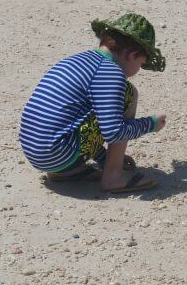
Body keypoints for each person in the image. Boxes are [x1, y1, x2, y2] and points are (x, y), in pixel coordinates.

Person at [18, 13, 168, 193]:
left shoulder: (78, 60)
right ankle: (114, 176)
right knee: (130, 93)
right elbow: (114, 132)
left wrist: (104, 157)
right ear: (131, 54)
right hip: (58, 153)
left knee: (101, 106)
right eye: (141, 64)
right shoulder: (111, 73)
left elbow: (74, 119)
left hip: (38, 153)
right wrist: (150, 124)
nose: (138, 71)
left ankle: (67, 171)